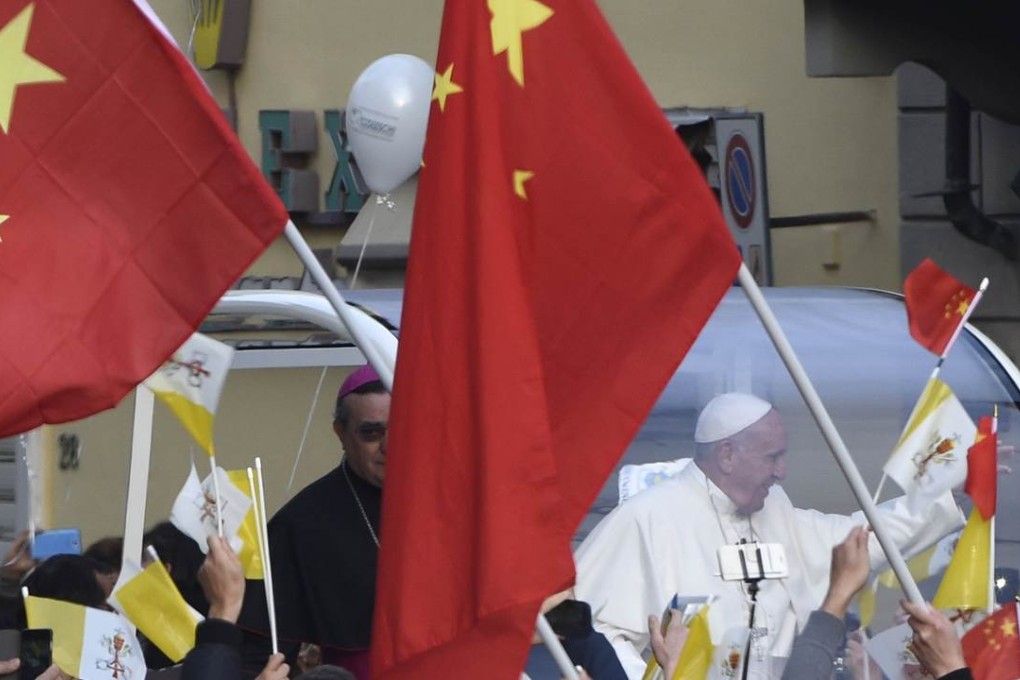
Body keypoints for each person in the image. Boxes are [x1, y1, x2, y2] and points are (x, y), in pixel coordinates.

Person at [574, 393, 965, 679]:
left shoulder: (773, 506)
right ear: (727, 455)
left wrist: (949, 494)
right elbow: (591, 629)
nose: (782, 472)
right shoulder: (647, 517)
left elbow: (859, 542)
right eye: (772, 457)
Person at [239, 364, 388, 679]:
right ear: (341, 433)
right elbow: (266, 649)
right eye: (372, 433)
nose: (389, 445)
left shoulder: (449, 501)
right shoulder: (302, 523)